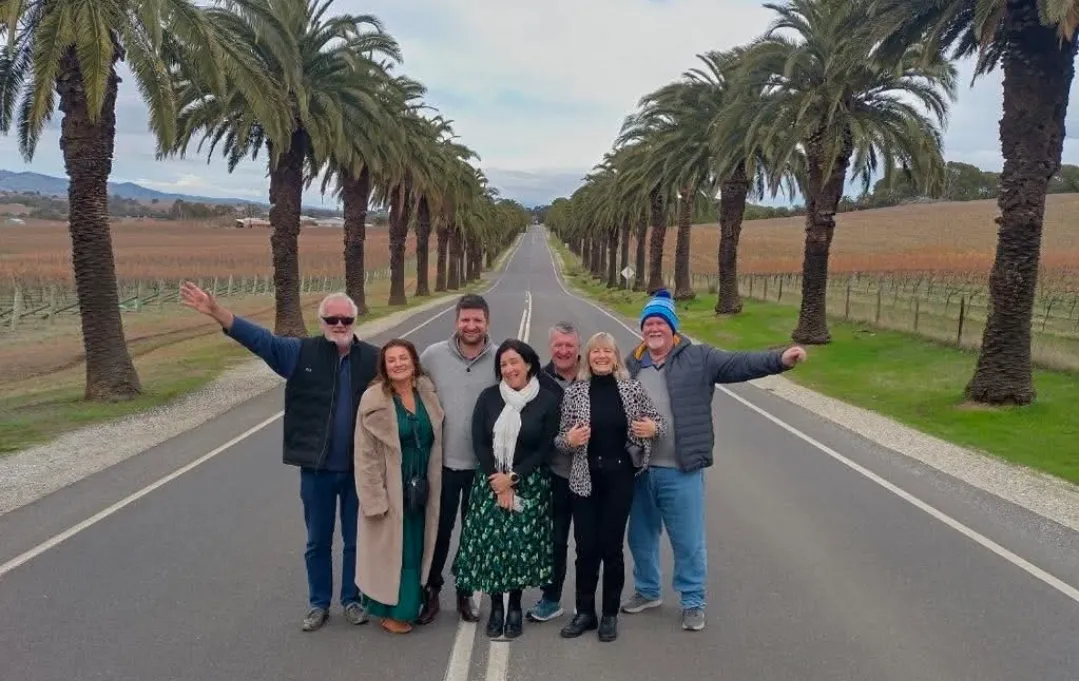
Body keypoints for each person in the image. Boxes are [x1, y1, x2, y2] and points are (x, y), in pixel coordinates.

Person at [179, 283, 379, 632]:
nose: (339, 324)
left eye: (345, 318)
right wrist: (217, 312)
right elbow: (261, 340)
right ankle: (318, 603)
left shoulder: (374, 359)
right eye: (331, 318)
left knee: (355, 541)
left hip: (358, 470)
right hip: (316, 470)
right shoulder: (299, 353)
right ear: (321, 322)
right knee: (317, 541)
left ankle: (352, 599)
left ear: (355, 320)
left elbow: (408, 379)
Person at [621, 289, 806, 633]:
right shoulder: (630, 364)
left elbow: (740, 363)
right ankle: (647, 590)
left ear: (673, 329)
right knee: (641, 537)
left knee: (688, 539)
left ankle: (692, 601)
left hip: (681, 468)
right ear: (642, 329)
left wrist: (780, 359)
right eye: (649, 323)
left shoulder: (699, 358)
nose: (654, 329)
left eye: (661, 322)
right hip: (639, 469)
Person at [555, 331, 666, 642]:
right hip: (583, 479)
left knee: (611, 549)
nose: (601, 357)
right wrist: (570, 440)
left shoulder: (631, 390)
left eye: (607, 352)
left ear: (616, 357)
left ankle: (609, 614)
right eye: (595, 352)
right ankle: (584, 612)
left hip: (619, 479)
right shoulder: (575, 392)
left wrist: (652, 427)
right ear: (587, 358)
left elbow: (660, 423)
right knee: (586, 548)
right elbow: (560, 440)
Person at [452, 339, 561, 640]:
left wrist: (512, 478)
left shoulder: (547, 400)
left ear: (528, 364)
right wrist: (496, 480)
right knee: (493, 547)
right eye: (503, 364)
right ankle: (496, 606)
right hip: (490, 482)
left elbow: (544, 447)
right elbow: (480, 442)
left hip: (529, 483)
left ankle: (514, 605)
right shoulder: (488, 397)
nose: (509, 368)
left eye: (514, 362)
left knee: (518, 547)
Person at [415, 294, 497, 624]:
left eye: (477, 320)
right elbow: (411, 392)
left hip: (482, 467)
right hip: (443, 464)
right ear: (456, 321)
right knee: (438, 532)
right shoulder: (432, 356)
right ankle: (431, 592)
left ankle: (465, 593)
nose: (471, 326)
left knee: (473, 535)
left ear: (486, 323)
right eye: (466, 320)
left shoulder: (500, 358)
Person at [354, 339, 443, 635]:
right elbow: (364, 455)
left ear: (414, 361)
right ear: (384, 366)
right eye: (391, 360)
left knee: (415, 547)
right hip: (391, 485)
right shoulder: (374, 399)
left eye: (403, 358)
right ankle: (396, 612)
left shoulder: (426, 392)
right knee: (395, 550)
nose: (398, 364)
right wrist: (374, 500)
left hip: (421, 485)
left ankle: (405, 604)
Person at [528, 321, 581, 623]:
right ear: (551, 347)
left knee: (589, 544)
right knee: (555, 541)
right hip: (554, 476)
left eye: (569, 346)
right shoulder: (539, 379)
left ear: (578, 348)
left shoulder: (595, 374)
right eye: (558, 345)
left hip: (591, 477)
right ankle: (551, 599)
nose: (563, 351)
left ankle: (586, 604)